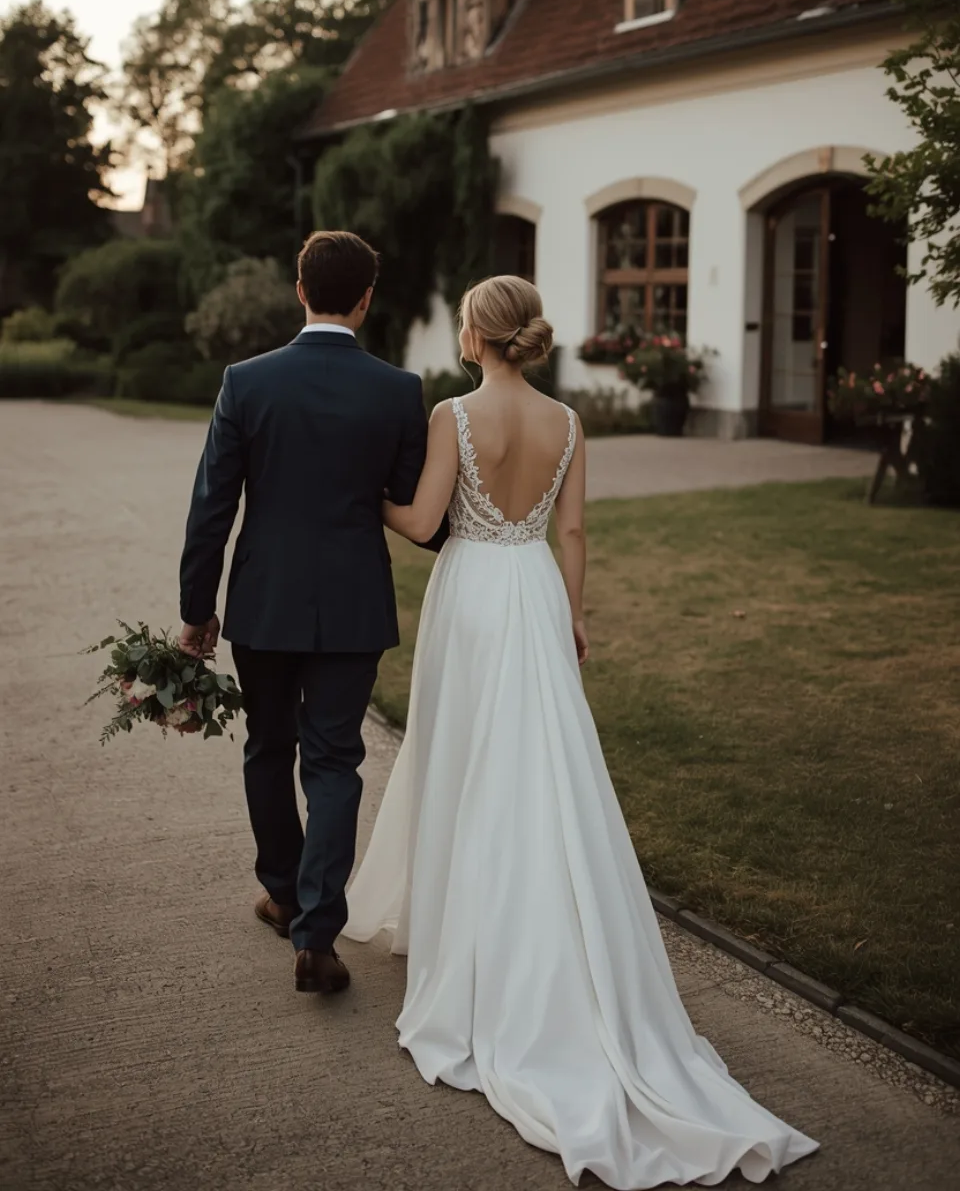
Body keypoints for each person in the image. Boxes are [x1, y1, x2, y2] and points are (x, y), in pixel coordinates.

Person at [344, 274, 819, 1189]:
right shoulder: (568, 422)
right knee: (540, 768)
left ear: (477, 334)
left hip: (476, 593)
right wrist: (573, 612)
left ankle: (471, 935)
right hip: (531, 589)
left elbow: (424, 521)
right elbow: (573, 531)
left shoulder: (452, 414)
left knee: (465, 762)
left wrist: (362, 491)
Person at [178, 230, 444, 996]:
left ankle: (286, 892)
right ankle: (317, 931)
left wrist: (197, 609)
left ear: (300, 290)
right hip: (354, 602)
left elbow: (211, 507)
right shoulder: (398, 390)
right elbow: (405, 502)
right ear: (366, 299)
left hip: (264, 601)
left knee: (268, 746)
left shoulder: (247, 381)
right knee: (334, 761)